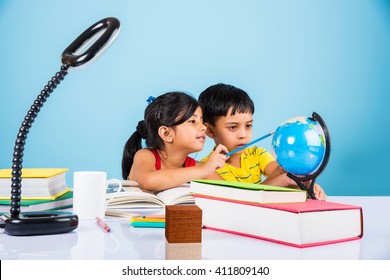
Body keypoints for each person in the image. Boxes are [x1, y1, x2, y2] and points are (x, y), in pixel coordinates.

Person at [198, 83, 327, 200]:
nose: (243, 135)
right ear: (210, 131)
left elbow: (281, 172)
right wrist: (283, 180)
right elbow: (241, 199)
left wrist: (306, 183)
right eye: (233, 127)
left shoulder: (256, 153)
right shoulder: (208, 168)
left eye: (248, 126)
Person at [121, 91, 228, 192]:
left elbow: (228, 193)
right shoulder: (146, 156)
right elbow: (147, 181)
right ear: (166, 133)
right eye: (192, 121)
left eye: (202, 121)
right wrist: (204, 170)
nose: (203, 127)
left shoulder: (198, 167)